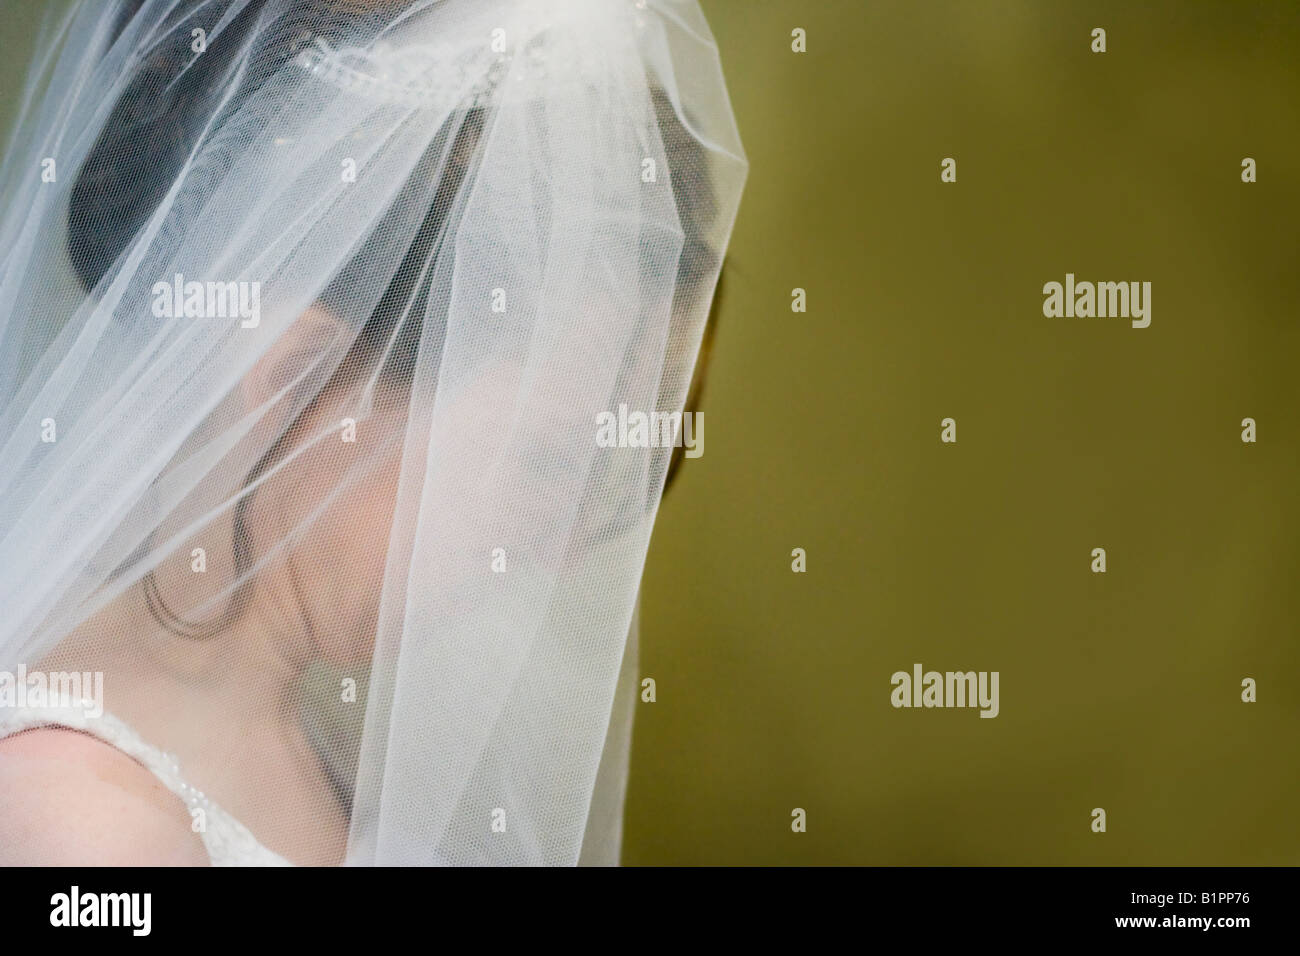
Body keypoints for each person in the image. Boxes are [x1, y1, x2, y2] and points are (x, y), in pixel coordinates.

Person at [0, 0, 745, 865]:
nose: (564, 551)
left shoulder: (327, 748)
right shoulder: (82, 833)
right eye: (549, 463)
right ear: (297, 379)